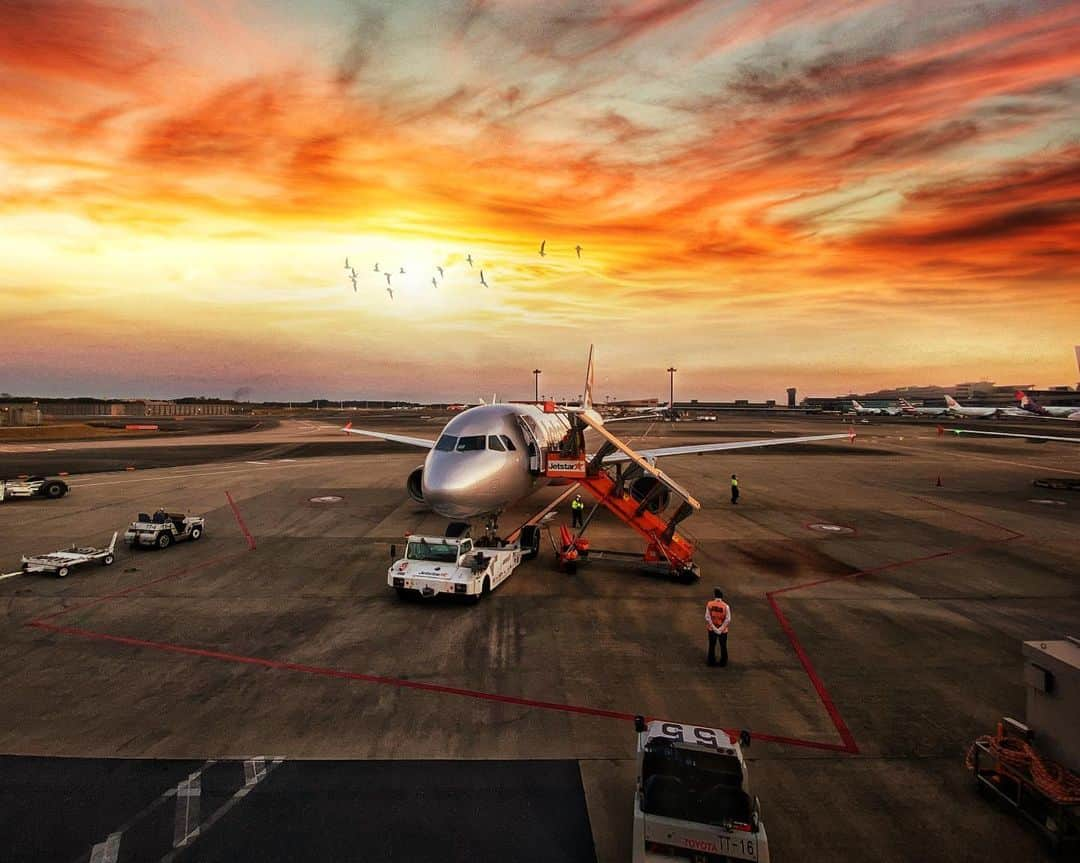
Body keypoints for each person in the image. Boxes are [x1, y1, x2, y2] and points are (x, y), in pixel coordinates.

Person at [706, 588, 731, 667]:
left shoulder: (710, 604)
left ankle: (711, 661)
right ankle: (723, 662)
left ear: (715, 595)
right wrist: (720, 629)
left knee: (712, 645)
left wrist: (714, 628)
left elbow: (707, 617)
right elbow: (728, 619)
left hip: (711, 629)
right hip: (723, 631)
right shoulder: (725, 606)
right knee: (723, 646)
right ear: (722, 596)